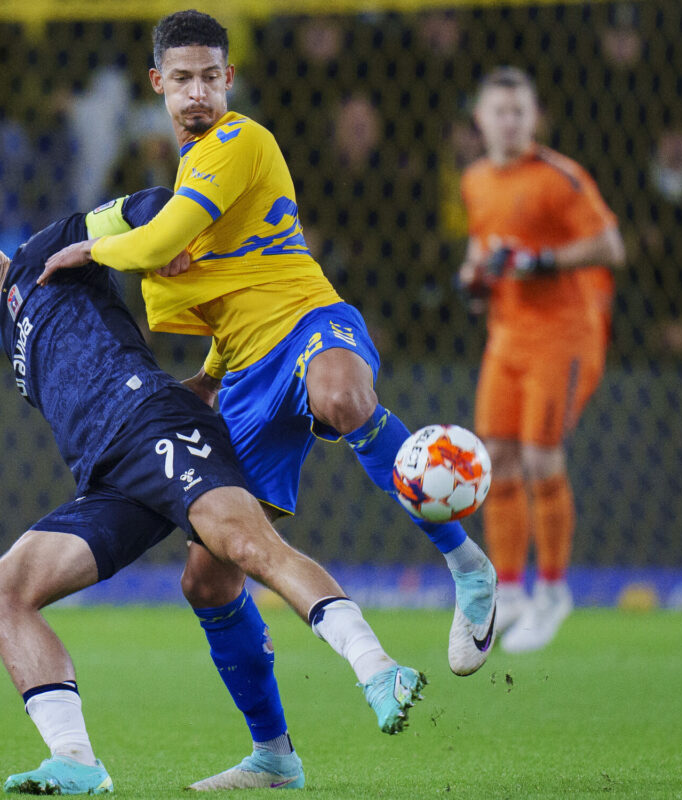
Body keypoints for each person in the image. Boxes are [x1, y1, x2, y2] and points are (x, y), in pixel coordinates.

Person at [0, 192, 427, 795]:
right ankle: (77, 759)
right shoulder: (9, 322)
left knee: (244, 545)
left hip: (150, 421)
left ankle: (377, 667)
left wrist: (168, 239)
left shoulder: (45, 251)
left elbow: (148, 204)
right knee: (1, 594)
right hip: (107, 477)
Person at [40, 9, 498, 678]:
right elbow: (226, 298)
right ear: (157, 84)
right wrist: (211, 373)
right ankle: (273, 756)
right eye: (181, 79)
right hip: (248, 373)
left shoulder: (238, 142)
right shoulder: (183, 190)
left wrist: (93, 250)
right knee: (209, 578)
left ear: (228, 78)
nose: (196, 93)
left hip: (309, 320)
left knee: (343, 398)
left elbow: (158, 242)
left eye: (208, 78)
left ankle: (468, 566)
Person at [456, 67, 626, 653]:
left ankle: (553, 591)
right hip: (507, 337)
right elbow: (484, 244)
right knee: (496, 459)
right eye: (498, 112)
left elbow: (610, 245)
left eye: (519, 112)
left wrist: (540, 261)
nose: (509, 121)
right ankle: (512, 594)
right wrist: (475, 274)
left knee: (539, 457)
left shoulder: (560, 177)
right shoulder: (475, 179)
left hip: (565, 335)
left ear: (534, 119)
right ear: (479, 119)